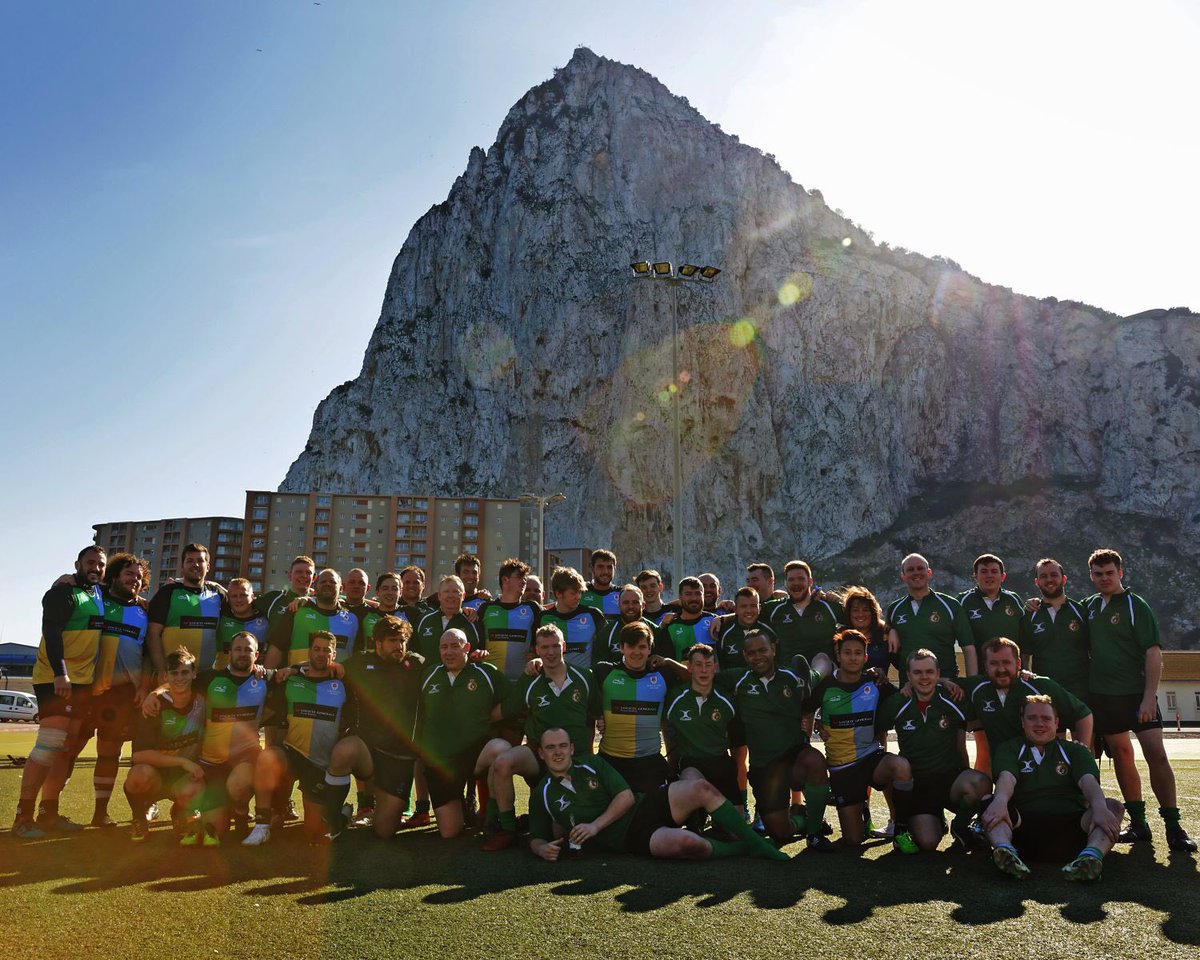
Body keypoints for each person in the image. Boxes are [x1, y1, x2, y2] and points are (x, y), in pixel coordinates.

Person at [528, 727, 787, 862]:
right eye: (550, 748)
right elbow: (537, 837)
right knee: (689, 844)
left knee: (700, 788)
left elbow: (626, 797)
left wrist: (595, 826)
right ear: (541, 753)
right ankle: (744, 848)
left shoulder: (592, 764)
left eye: (563, 745)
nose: (558, 752)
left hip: (643, 807)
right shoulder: (542, 793)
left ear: (572, 748)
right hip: (631, 839)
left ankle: (758, 844)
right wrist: (542, 850)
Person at [1084, 548, 1195, 851]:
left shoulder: (1136, 605)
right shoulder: (1089, 607)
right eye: (1098, 573)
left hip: (1136, 695)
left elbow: (1153, 652)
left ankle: (1174, 827)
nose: (1104, 578)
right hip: (1104, 696)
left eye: (1109, 572)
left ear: (1121, 572)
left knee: (1156, 755)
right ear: (1091, 576)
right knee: (1122, 755)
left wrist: (1149, 697)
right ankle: (1139, 824)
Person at [14, 546, 108, 838]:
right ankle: (23, 818)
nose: (95, 567)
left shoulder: (98, 594)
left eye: (100, 564)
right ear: (77, 564)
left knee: (66, 750)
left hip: (83, 683)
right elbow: (51, 633)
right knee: (50, 744)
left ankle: (49, 813)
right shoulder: (62, 592)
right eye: (90, 562)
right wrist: (61, 673)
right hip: (57, 678)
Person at [480, 624, 600, 851]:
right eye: (545, 647)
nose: (551, 652)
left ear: (563, 647)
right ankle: (507, 829)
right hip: (539, 753)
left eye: (555, 646)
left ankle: (542, 820)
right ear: (537, 650)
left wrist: (589, 755)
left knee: (559, 831)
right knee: (502, 762)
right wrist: (474, 719)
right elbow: (507, 709)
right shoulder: (531, 679)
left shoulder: (585, 677)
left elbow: (595, 716)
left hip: (575, 760)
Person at [982, 695, 1124, 880]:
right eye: (1032, 717)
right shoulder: (1009, 748)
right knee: (989, 802)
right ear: (1022, 722)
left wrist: (1100, 808)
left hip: (1071, 830)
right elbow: (1007, 778)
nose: (1039, 723)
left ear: (1056, 722)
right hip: (1022, 830)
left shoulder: (1075, 750)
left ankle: (1090, 858)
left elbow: (1088, 781)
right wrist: (1000, 801)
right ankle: (1006, 852)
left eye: (1046, 718)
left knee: (1112, 807)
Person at [806, 629, 917, 851]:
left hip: (870, 757)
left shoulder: (875, 681)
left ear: (865, 657)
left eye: (858, 653)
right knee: (854, 840)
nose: (853, 657)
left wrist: (909, 686)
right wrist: (816, 727)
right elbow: (806, 713)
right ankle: (862, 813)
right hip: (842, 768)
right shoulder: (825, 686)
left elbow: (900, 700)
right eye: (847, 652)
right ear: (838, 656)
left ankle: (901, 828)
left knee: (900, 766)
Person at [723, 629, 831, 850]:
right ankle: (805, 819)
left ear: (773, 649)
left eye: (763, 650)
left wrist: (811, 676)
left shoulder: (793, 677)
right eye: (751, 653)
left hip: (793, 756)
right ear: (744, 656)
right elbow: (698, 677)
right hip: (764, 767)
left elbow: (824, 662)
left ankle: (814, 834)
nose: (758, 656)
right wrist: (667, 662)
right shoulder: (737, 678)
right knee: (780, 834)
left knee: (815, 761)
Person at [875, 649, 992, 852]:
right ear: (909, 676)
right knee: (928, 843)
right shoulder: (897, 703)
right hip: (917, 785)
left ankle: (960, 825)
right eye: (917, 672)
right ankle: (934, 819)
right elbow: (877, 732)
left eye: (929, 672)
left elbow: (984, 691)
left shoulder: (953, 697)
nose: (924, 677)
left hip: (949, 780)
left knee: (981, 782)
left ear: (938, 673)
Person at [322, 615, 425, 839]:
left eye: (402, 641)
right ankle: (334, 819)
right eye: (392, 641)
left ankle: (374, 807)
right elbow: (326, 668)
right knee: (343, 751)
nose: (399, 646)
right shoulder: (359, 663)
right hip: (367, 751)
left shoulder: (416, 664)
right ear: (377, 643)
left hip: (399, 757)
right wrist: (290, 670)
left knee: (385, 831)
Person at [243, 631, 348, 845]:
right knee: (268, 757)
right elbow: (262, 674)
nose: (320, 654)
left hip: (321, 764)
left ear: (334, 654)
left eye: (326, 650)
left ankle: (342, 814)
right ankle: (262, 824)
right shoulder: (291, 678)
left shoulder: (345, 682)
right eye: (316, 649)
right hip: (293, 754)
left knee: (313, 833)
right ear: (309, 651)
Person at [418, 628, 509, 838]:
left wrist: (489, 717)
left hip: (474, 754)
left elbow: (513, 702)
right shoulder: (429, 674)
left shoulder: (486, 672)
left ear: (467, 648)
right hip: (440, 762)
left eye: (454, 646)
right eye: (444, 647)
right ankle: (463, 806)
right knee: (450, 832)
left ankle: (497, 819)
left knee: (501, 749)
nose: (448, 652)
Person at [85, 552, 152, 827]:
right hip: (98, 691)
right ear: (114, 575)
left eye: (138, 576)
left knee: (138, 754)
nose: (134, 580)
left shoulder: (145, 610)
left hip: (132, 694)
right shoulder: (98, 598)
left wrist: (145, 686)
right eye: (129, 574)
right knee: (103, 752)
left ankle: (141, 811)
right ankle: (98, 812)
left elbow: (148, 652)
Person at [188, 630, 274, 843]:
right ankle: (220, 810)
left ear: (257, 654)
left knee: (237, 786)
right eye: (238, 649)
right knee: (215, 830)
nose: (242, 654)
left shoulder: (266, 679)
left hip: (245, 758)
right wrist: (154, 695)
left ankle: (241, 811)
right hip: (211, 760)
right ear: (229, 652)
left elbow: (293, 673)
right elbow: (177, 683)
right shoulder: (209, 678)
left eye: (248, 650)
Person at [960, 637, 1093, 763]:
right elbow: (942, 685)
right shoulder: (976, 687)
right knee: (975, 783)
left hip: (1045, 768)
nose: (1001, 669)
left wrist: (1082, 754)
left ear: (1018, 663)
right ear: (986, 665)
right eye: (994, 663)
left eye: (1006, 662)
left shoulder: (1040, 685)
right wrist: (944, 681)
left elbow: (1083, 714)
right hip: (1005, 767)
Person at [124, 647, 207, 843]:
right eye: (174, 673)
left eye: (185, 672)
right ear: (166, 675)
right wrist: (181, 762)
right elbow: (138, 756)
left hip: (183, 778)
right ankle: (139, 816)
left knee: (199, 784)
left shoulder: (203, 700)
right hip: (156, 776)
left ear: (194, 673)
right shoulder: (154, 706)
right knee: (138, 775)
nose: (179, 678)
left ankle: (179, 813)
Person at [594, 621, 687, 794]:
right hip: (611, 761)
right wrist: (598, 714)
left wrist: (669, 662)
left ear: (650, 649)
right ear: (621, 648)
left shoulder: (663, 674)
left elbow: (694, 678)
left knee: (650, 817)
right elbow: (580, 686)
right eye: (631, 646)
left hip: (649, 763)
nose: (637, 652)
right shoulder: (604, 672)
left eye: (642, 647)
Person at [665, 644, 740, 809]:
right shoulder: (675, 697)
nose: (704, 670)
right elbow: (663, 726)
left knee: (734, 829)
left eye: (708, 665)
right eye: (698, 665)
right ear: (689, 668)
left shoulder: (727, 700)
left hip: (720, 762)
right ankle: (697, 817)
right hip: (691, 763)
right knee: (693, 784)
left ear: (715, 667)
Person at [886, 553, 977, 680]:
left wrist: (972, 684)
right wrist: (891, 629)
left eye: (920, 568)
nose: (916, 572)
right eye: (910, 570)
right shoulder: (895, 609)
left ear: (929, 573)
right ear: (903, 576)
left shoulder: (950, 605)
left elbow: (968, 647)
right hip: (908, 688)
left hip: (946, 685)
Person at [146, 543, 226, 676]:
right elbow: (152, 635)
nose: (195, 565)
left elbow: (242, 602)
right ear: (182, 567)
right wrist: (161, 670)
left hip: (207, 676)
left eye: (200, 561)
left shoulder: (218, 594)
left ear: (208, 566)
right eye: (190, 561)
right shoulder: (168, 592)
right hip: (174, 676)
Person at [264, 568, 360, 668]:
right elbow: (277, 648)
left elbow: (358, 656)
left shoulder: (353, 618)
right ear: (315, 587)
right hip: (298, 680)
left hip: (338, 682)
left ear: (341, 588)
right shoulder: (296, 610)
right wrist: (267, 678)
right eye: (323, 581)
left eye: (332, 582)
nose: (327, 584)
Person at [763, 560, 843, 666]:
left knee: (822, 658)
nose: (796, 583)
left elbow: (858, 616)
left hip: (824, 676)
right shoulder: (774, 608)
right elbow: (746, 613)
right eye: (791, 580)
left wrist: (840, 600)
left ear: (810, 582)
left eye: (801, 579)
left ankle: (812, 678)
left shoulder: (828, 606)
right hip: (789, 675)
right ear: (785, 583)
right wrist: (732, 611)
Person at [477, 559, 540, 683]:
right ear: (505, 580)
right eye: (520, 577)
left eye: (525, 578)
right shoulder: (485, 609)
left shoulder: (533, 608)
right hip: (491, 682)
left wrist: (537, 655)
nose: (524, 581)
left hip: (523, 683)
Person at [539, 567, 605, 669]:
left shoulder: (593, 615)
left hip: (584, 680)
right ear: (558, 593)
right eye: (573, 593)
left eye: (580, 592)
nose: (578, 597)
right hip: (553, 681)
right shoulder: (542, 617)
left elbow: (607, 646)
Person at [412, 575, 482, 660]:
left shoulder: (472, 621)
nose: (450, 595)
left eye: (455, 592)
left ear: (463, 596)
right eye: (446, 591)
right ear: (439, 596)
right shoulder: (424, 619)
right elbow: (414, 650)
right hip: (429, 673)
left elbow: (478, 653)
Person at [215, 578, 270, 671]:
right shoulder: (220, 618)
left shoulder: (266, 620)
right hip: (222, 678)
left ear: (252, 597)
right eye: (234, 596)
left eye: (243, 595)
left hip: (255, 679)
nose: (239, 599)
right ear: (228, 598)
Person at [659, 577, 719, 661]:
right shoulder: (670, 627)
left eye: (698, 593)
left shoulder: (715, 621)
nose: (694, 598)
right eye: (688, 594)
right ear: (680, 597)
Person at [714, 587, 777, 664]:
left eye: (753, 606)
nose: (749, 610)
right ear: (735, 609)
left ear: (759, 608)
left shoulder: (769, 630)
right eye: (743, 606)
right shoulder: (724, 634)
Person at [255, 555, 316, 626]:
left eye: (308, 573)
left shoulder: (318, 602)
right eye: (299, 572)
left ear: (314, 578)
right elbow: (246, 604)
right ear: (290, 576)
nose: (304, 576)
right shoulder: (273, 598)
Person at [581, 549, 621, 616]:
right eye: (600, 567)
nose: (605, 571)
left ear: (615, 569)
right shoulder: (581, 592)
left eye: (609, 567)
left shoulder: (622, 594)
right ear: (592, 568)